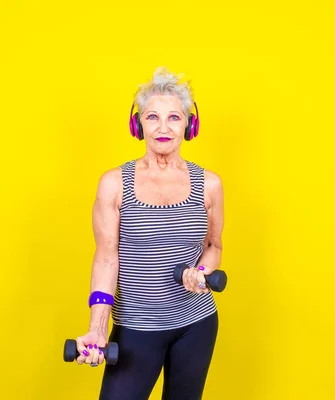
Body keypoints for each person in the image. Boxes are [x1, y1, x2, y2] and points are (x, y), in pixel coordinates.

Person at [75, 67, 225, 400]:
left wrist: (202, 272)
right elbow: (105, 258)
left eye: (174, 117)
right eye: (152, 117)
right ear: (137, 123)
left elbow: (214, 246)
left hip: (196, 324)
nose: (162, 127)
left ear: (189, 124)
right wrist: (98, 327)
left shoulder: (209, 184)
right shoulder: (114, 184)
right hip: (135, 330)